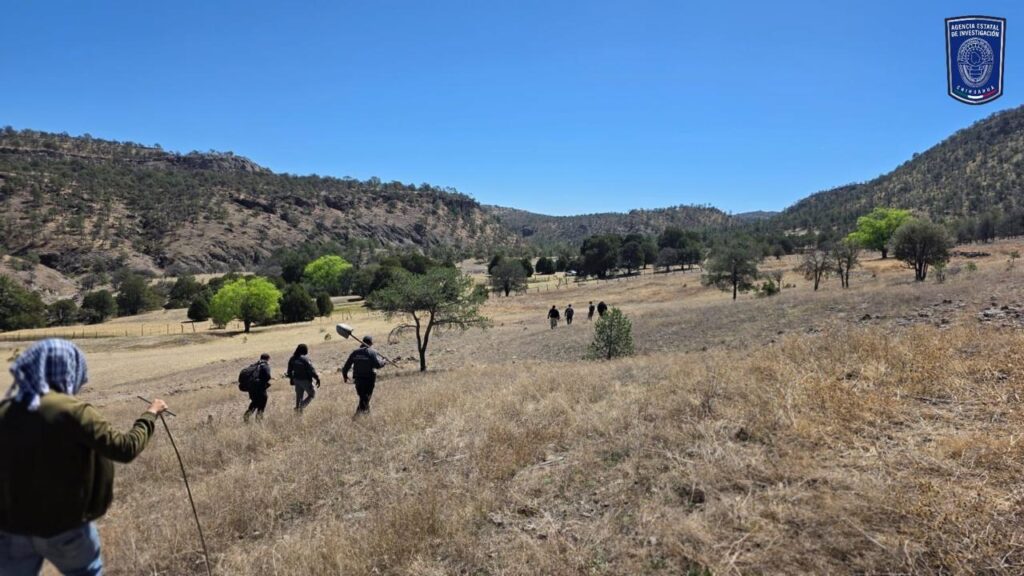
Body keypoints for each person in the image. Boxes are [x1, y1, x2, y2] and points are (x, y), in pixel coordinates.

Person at [0, 339, 169, 576]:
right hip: (66, 527)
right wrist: (150, 415)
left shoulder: (6, 409)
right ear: (71, 369)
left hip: (11, 530)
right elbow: (125, 449)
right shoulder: (72, 410)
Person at [342, 336, 385, 417]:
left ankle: (367, 415)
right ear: (371, 343)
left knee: (363, 398)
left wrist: (345, 376)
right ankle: (356, 417)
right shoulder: (372, 352)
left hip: (358, 380)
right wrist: (384, 361)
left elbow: (346, 366)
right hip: (369, 379)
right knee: (365, 398)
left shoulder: (355, 352)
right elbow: (378, 365)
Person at [287, 344, 321, 413]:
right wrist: (317, 378)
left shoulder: (292, 358)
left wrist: (291, 379)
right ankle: (301, 406)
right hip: (305, 380)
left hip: (296, 380)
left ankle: (297, 410)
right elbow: (311, 370)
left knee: (299, 397)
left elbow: (289, 371)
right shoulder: (305, 359)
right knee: (312, 394)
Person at [243, 352, 272, 422]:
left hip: (251, 388)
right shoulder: (265, 365)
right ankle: (259, 420)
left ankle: (247, 415)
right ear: (268, 359)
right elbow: (268, 376)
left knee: (255, 402)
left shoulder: (254, 365)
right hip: (260, 388)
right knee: (262, 403)